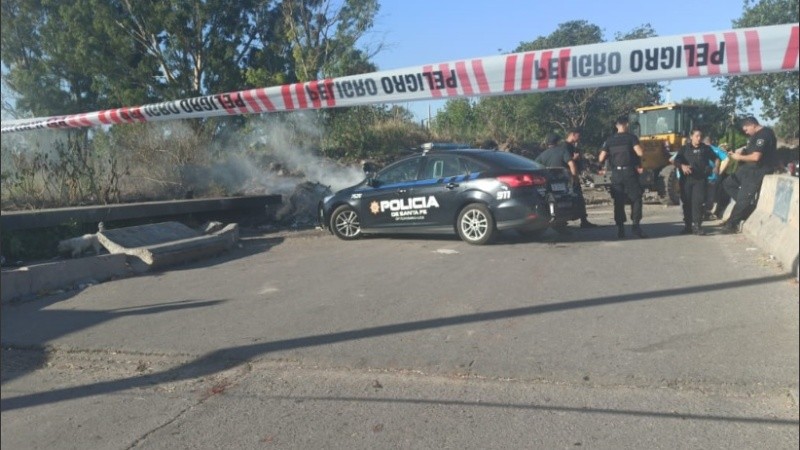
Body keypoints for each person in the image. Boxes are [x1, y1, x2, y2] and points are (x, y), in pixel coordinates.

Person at [721, 116, 779, 233]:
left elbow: (756, 157)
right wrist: (741, 151)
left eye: (746, 129)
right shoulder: (755, 136)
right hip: (746, 169)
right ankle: (746, 207)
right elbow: (751, 151)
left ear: (753, 125)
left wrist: (739, 157)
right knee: (728, 183)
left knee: (743, 198)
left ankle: (732, 223)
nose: (746, 132)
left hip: (757, 171)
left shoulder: (764, 135)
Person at [598, 116, 647, 239]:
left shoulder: (609, 140)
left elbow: (601, 158)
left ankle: (620, 228)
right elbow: (640, 153)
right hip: (629, 172)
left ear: (616, 125)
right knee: (636, 198)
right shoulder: (631, 138)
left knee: (618, 201)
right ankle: (636, 226)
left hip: (616, 174)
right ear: (627, 124)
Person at [674, 129, 719, 235]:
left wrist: (716, 167)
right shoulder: (684, 149)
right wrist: (682, 166)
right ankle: (688, 226)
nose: (699, 138)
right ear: (691, 137)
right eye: (697, 136)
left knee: (698, 203)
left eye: (700, 136)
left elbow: (716, 158)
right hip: (686, 180)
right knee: (687, 203)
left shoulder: (705, 148)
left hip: (700, 179)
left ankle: (697, 226)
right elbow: (676, 161)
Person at [535, 133, 574, 234]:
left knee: (550, 200)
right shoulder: (563, 151)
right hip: (563, 182)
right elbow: (571, 163)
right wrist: (574, 177)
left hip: (548, 184)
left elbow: (535, 167)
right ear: (558, 142)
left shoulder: (542, 155)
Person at [563, 128, 598, 228]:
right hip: (570, 176)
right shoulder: (565, 146)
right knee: (572, 198)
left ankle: (584, 220)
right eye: (578, 135)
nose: (579, 138)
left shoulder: (573, 146)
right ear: (573, 134)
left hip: (575, 175)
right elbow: (566, 161)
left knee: (579, 198)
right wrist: (574, 158)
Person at [702, 136, 727, 220]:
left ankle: (699, 213)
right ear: (711, 141)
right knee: (710, 196)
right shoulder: (716, 149)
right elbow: (726, 159)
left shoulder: (700, 148)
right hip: (712, 176)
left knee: (699, 195)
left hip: (700, 177)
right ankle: (706, 213)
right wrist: (720, 171)